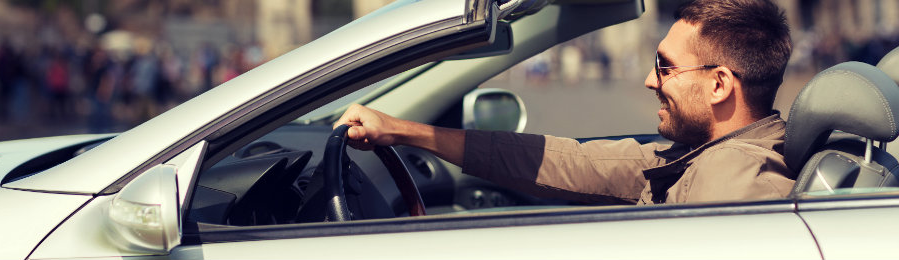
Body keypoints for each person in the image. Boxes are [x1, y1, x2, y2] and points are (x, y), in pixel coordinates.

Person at [334, 0, 795, 205]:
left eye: (665, 66)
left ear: (719, 85)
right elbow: (568, 161)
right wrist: (403, 131)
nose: (649, 80)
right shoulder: (702, 155)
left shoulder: (732, 181)